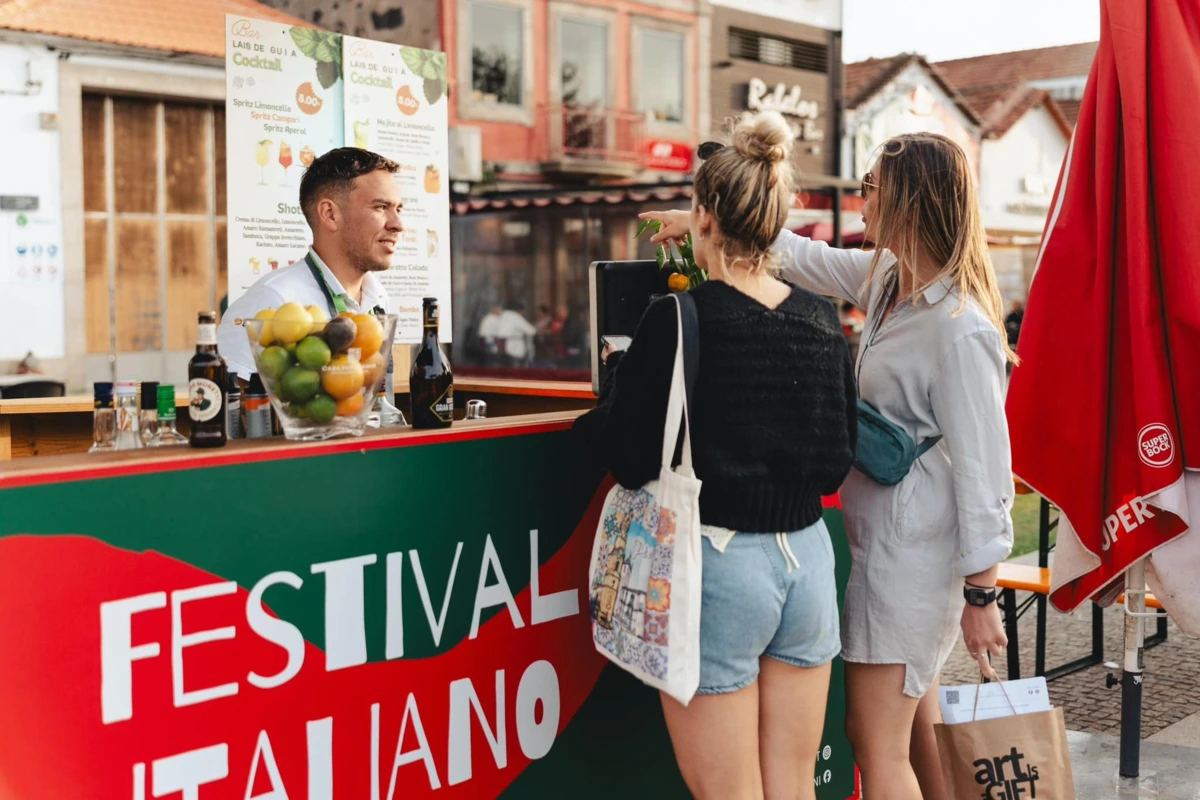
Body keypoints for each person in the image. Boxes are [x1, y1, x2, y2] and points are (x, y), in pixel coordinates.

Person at [642, 131, 1015, 800]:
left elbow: (987, 472)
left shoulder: (961, 327)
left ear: (909, 199)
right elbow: (803, 258)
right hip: (879, 545)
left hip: (912, 562)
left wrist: (982, 593)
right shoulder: (887, 280)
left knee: (878, 746)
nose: (862, 199)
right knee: (914, 726)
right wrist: (709, 224)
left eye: (871, 186)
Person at [578, 111, 857, 800]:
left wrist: (616, 391)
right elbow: (834, 460)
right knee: (793, 787)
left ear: (702, 216)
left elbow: (630, 455)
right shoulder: (822, 319)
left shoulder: (678, 316)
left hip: (716, 567)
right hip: (808, 564)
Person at [218, 148, 402, 380]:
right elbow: (235, 403)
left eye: (398, 209)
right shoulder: (273, 298)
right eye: (380, 207)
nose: (398, 224)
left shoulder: (377, 296)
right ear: (330, 214)